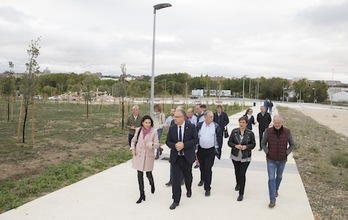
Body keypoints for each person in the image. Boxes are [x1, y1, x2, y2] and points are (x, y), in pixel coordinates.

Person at [166, 108, 198, 210]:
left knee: (188, 176)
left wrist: (184, 145)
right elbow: (168, 142)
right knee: (175, 180)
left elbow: (196, 140)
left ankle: (188, 189)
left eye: (177, 117)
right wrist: (175, 145)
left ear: (183, 117)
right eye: (174, 116)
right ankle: (176, 200)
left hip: (187, 157)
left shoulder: (191, 127)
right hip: (176, 158)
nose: (175, 118)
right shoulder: (172, 128)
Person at [261, 115, 295, 208]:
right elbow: (263, 143)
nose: (277, 124)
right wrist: (267, 152)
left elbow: (292, 144)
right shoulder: (268, 131)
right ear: (273, 122)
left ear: (282, 122)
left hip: (282, 159)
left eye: (279, 123)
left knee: (279, 176)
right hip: (270, 159)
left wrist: (286, 153)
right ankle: (272, 199)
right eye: (275, 123)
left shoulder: (287, 131)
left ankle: (275, 189)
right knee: (271, 178)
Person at [130, 115, 159, 204]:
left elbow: (157, 144)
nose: (147, 124)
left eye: (149, 123)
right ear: (142, 122)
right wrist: (133, 149)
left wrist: (152, 144)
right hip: (139, 155)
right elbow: (133, 141)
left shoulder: (154, 132)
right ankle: (142, 194)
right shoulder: (138, 130)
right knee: (139, 175)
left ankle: (152, 183)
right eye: (146, 122)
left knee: (148, 173)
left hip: (148, 156)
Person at [227, 116, 256, 201]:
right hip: (235, 155)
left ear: (246, 124)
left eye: (243, 122)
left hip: (245, 157)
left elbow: (253, 144)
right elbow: (229, 142)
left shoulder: (250, 133)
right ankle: (238, 183)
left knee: (242, 174)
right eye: (240, 122)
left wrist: (246, 147)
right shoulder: (234, 131)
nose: (241, 124)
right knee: (237, 171)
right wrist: (235, 146)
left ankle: (241, 193)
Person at [197, 110, 222, 196]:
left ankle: (207, 188)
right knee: (202, 167)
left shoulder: (216, 126)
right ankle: (202, 179)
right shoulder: (199, 125)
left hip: (210, 151)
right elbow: (196, 136)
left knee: (208, 169)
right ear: (205, 117)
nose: (212, 118)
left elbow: (219, 139)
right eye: (210, 116)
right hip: (200, 150)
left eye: (212, 117)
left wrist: (218, 150)